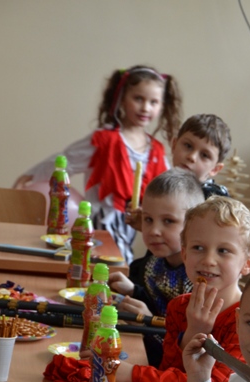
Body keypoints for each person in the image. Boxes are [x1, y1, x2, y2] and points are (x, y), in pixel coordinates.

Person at [13, 65, 182, 264]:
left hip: (130, 227)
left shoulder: (156, 151)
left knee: (121, 265)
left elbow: (168, 187)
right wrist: (29, 176)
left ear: (162, 106)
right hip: (101, 223)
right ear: (121, 98)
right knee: (112, 264)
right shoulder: (104, 140)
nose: (145, 107)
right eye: (138, 99)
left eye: (153, 102)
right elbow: (65, 160)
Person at [116, 195, 250, 382]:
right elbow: (169, 372)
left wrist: (132, 374)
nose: (208, 260)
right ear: (184, 254)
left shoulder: (248, 322)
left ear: (248, 263)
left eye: (223, 250)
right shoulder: (178, 307)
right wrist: (194, 330)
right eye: (198, 248)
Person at [107, 169, 204, 367]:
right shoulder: (153, 260)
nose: (154, 231)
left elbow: (184, 351)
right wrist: (133, 291)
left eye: (168, 221)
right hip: (139, 352)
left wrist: (149, 322)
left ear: (194, 225)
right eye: (148, 219)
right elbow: (155, 301)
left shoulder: (199, 279)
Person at [170, 113, 250, 241]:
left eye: (204, 155)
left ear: (215, 169)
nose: (192, 157)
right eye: (188, 146)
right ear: (174, 145)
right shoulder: (164, 186)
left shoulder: (213, 197)